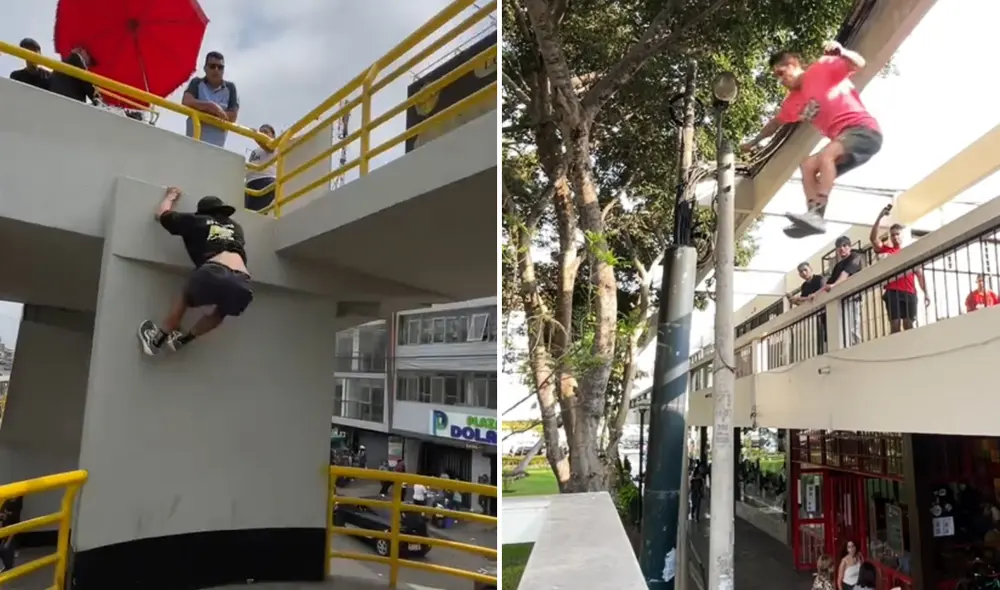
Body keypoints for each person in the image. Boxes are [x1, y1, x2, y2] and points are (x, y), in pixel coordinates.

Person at [742, 41, 882, 238]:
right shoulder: (793, 102)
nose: (781, 81)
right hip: (847, 142)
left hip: (864, 130)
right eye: (776, 78)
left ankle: (816, 214)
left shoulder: (821, 68)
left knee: (826, 156)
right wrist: (753, 142)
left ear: (793, 64)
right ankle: (814, 215)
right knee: (808, 164)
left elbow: (858, 64)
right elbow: (775, 124)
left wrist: (842, 52)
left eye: (781, 73)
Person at [137, 188, 253, 356]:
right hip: (243, 281)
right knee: (221, 312)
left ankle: (158, 339)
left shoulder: (196, 220)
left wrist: (171, 196)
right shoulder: (236, 228)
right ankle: (182, 341)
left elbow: (162, 214)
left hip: (215, 270)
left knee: (187, 294)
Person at [870, 205, 928, 333]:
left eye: (897, 234)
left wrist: (926, 293)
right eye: (892, 235)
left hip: (910, 292)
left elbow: (919, 274)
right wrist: (880, 216)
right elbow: (873, 239)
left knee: (909, 325)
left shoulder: (910, 252)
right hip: (893, 291)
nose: (895, 237)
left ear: (902, 235)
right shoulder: (887, 250)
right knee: (895, 325)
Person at [182, 51, 239, 148]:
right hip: (192, 143)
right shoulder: (197, 82)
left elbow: (232, 117)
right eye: (212, 66)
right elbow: (186, 101)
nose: (216, 70)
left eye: (220, 67)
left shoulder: (230, 88)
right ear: (205, 68)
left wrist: (200, 108)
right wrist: (211, 107)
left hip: (215, 149)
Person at [825, 236, 865, 346]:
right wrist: (814, 294)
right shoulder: (838, 266)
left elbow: (844, 276)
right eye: (839, 247)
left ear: (850, 247)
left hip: (853, 298)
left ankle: (857, 350)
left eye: (844, 246)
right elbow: (827, 284)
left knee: (853, 328)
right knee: (843, 327)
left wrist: (833, 286)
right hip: (841, 300)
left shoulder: (855, 257)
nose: (841, 249)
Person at [245, 124, 277, 211]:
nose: (262, 134)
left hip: (266, 180)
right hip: (250, 183)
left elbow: (270, 148)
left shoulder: (275, 144)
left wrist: (256, 136)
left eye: (265, 132)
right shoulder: (255, 151)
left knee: (260, 211)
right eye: (261, 132)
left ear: (273, 136)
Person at [0, 496, 23, 573]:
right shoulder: (7, 502)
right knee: (3, 549)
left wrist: (8, 542)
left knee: (6, 549)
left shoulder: (17, 506)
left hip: (11, 533)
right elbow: (1, 513)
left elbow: (15, 527)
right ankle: (7, 566)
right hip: (5, 530)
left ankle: (8, 567)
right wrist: (2, 515)